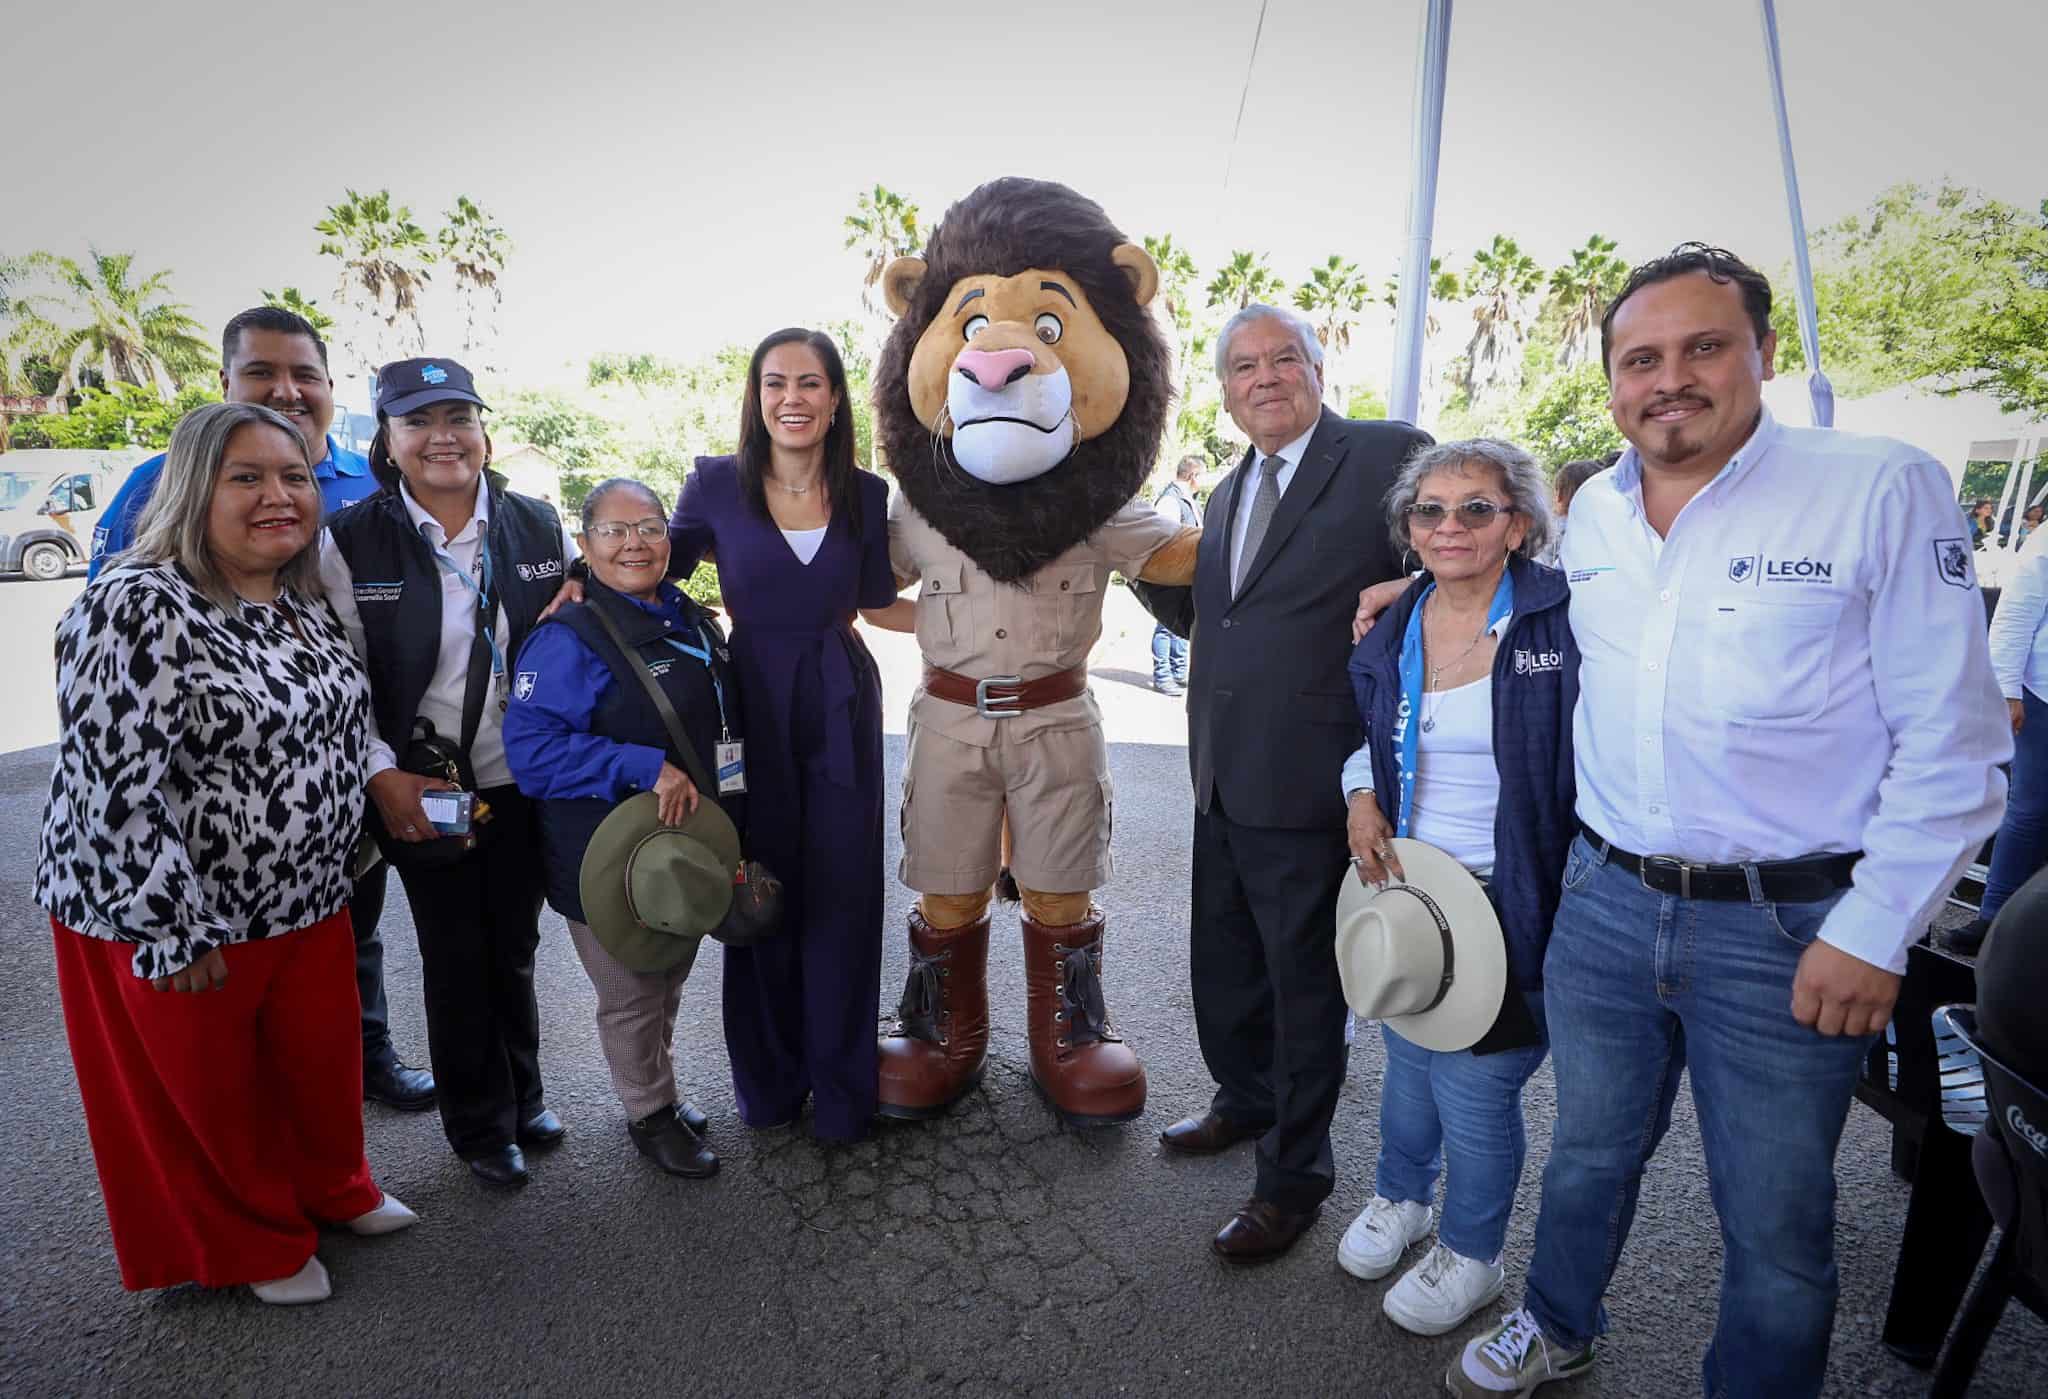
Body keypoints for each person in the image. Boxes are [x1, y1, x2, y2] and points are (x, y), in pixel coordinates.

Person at [1426, 245, 2010, 1398]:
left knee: (1775, 1215)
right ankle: (1555, 1320)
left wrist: (1874, 928)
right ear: (1610, 383)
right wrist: (1413, 592)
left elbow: (1955, 741)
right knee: (1587, 1151)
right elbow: (1501, 597)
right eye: (1639, 358)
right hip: (1604, 904)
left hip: (1792, 929)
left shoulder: (1878, 486)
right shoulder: (1588, 509)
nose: (1668, 379)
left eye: (1702, 346)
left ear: (1762, 354)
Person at [37, 401, 416, 1304]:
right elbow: (114, 786)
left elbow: (342, 724)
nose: (277, 496)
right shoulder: (137, 602)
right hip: (179, 910)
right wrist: (171, 928)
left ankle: (332, 1188)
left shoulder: (298, 597)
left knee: (318, 1065)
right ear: (193, 487)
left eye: (292, 476)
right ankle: (252, 1242)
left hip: (307, 897)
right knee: (209, 1096)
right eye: (246, 477)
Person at [1132, 303, 1431, 1263]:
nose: (1265, 377)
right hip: (1220, 773)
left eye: (1283, 359)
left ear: (1315, 367)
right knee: (1224, 967)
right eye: (1244, 367)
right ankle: (1243, 1100)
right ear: (1225, 392)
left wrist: (1410, 589)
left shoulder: (1387, 453)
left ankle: (1293, 1179)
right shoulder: (1223, 493)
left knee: (1306, 996)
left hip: (1315, 783)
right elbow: (1224, 621)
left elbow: (1470, 550)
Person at [90, 306, 432, 1113]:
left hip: (332, 810)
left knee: (351, 943)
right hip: (205, 859)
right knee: (218, 1055)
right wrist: (161, 911)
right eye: (261, 374)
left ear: (328, 387)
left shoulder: (373, 485)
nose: (285, 391)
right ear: (224, 387)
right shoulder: (157, 495)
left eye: (303, 375)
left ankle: (365, 1058)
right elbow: (117, 729)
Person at [319, 357, 579, 1189]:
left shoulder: (539, 526)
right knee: (455, 951)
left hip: (522, 779)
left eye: (458, 417)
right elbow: (337, 679)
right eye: (418, 421)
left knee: (515, 945)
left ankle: (525, 1096)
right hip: (422, 785)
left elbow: (578, 633)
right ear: (387, 443)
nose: (442, 437)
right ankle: (478, 1124)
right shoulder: (349, 542)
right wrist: (378, 774)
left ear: (484, 432)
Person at [1338, 439, 1576, 1336]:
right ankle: (1403, 1198)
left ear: (1518, 524)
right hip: (1414, 893)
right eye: (1429, 510)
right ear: (1408, 530)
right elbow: (1374, 739)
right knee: (1408, 1066)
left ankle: (1474, 1252)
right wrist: (1359, 792)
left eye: (1477, 507)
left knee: (1477, 1090)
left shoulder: (1562, 621)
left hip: (1513, 896)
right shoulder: (1398, 625)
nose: (1450, 526)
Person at [666, 328, 902, 1142]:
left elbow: (877, 601)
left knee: (842, 895)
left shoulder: (868, 495)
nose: (792, 398)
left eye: (810, 383)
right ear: (756, 397)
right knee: (758, 889)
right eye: (775, 383)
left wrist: (988, 617)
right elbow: (650, 576)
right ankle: (766, 1089)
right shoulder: (715, 486)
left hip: (841, 701)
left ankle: (841, 1094)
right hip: (750, 702)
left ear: (836, 400)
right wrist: (578, 584)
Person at [503, 478, 729, 1178]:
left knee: (666, 978)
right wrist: (642, 766)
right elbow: (532, 754)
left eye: (650, 527)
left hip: (677, 847)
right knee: (631, 993)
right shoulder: (567, 637)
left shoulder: (685, 614)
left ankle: (657, 1088)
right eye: (614, 530)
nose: (634, 542)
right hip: (605, 858)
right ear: (585, 544)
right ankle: (649, 1113)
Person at [1963, 522, 2048, 952]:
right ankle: (1993, 918)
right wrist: (2008, 689)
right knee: (2029, 810)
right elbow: (2016, 614)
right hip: (2044, 695)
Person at [1150, 455, 1204, 694]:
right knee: (1165, 626)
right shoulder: (1170, 501)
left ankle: (1178, 671)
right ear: (1193, 476)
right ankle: (1162, 676)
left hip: (1185, 573)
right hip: (1172, 574)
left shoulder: (1187, 499)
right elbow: (1164, 538)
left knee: (1182, 623)